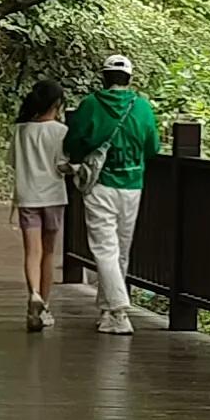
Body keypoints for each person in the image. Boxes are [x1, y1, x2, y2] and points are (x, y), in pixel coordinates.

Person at [65, 54, 162, 334]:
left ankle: (118, 309)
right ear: (129, 79)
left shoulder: (91, 105)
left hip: (100, 183)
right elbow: (152, 146)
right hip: (133, 184)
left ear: (104, 78)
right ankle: (109, 312)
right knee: (121, 248)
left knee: (104, 248)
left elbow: (73, 141)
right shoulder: (142, 107)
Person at [8, 82, 71, 331]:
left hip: (27, 196)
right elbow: (62, 164)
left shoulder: (20, 131)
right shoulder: (61, 131)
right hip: (54, 197)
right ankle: (44, 305)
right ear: (57, 105)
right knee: (48, 252)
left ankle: (32, 294)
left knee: (31, 251)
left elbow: (12, 162)